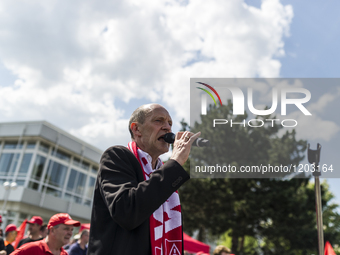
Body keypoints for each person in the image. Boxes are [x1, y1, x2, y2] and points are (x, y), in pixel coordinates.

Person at [87, 103, 201, 255]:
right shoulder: (116, 156)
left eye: (170, 123)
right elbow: (127, 211)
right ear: (136, 129)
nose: (167, 127)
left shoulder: (161, 171)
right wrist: (175, 164)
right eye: (158, 121)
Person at [10, 213, 80, 255]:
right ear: (52, 230)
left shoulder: (65, 254)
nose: (70, 233)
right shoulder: (31, 249)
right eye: (66, 229)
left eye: (71, 230)